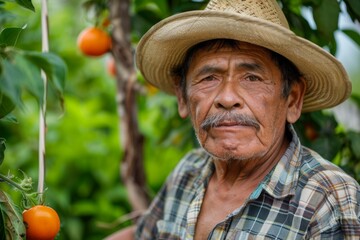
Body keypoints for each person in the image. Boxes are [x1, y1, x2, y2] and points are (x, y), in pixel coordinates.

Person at [106, 0, 360, 239]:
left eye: (252, 78)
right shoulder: (189, 172)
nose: (227, 98)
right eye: (209, 78)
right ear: (182, 98)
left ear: (292, 100)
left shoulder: (328, 198)